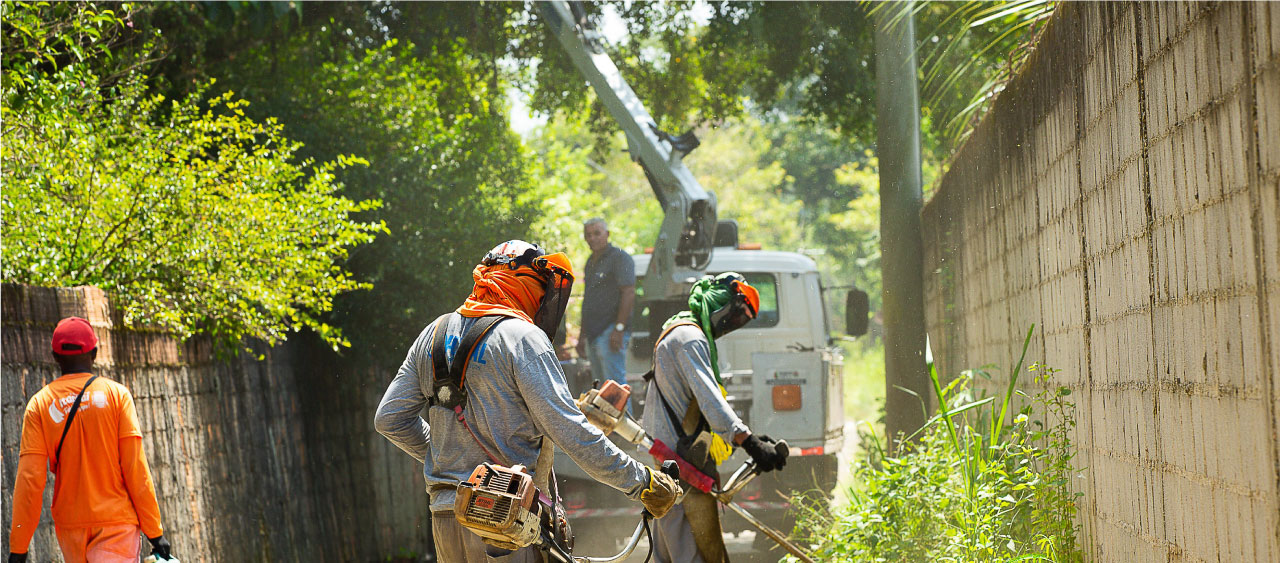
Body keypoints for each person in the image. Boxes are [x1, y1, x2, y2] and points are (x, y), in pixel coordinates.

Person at [374, 240, 680, 562]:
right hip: (505, 522)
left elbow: (390, 419)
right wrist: (642, 482)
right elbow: (569, 432)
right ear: (526, 283)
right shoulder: (522, 338)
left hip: (446, 518)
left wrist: (447, 463)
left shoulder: (432, 333)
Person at [641, 273, 790, 563]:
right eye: (736, 315)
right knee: (690, 552)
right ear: (720, 304)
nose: (733, 324)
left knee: (667, 552)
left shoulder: (681, 332)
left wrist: (751, 439)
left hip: (671, 458)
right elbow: (711, 401)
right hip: (679, 463)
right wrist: (751, 443)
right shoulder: (689, 338)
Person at [8, 317, 172, 563]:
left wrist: (18, 548)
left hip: (71, 529)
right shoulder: (117, 396)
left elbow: (30, 481)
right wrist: (155, 532)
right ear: (94, 353)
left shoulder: (39, 405)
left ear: (55, 356)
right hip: (117, 526)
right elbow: (135, 468)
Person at [576, 218, 636, 401]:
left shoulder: (619, 257)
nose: (592, 238)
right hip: (593, 333)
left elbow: (629, 292)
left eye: (597, 233)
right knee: (601, 390)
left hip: (610, 331)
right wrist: (582, 336)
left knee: (615, 387)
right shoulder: (590, 262)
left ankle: (625, 427)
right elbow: (589, 300)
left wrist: (619, 329)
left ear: (607, 234)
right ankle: (607, 429)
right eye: (588, 235)